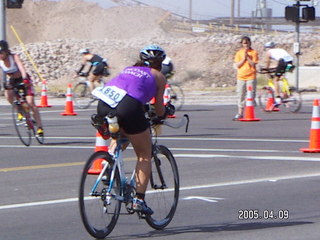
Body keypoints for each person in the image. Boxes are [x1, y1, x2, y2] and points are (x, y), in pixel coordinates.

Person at [91, 45, 174, 215]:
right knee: (144, 154)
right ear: (160, 64)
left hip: (104, 103)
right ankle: (139, 200)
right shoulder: (159, 76)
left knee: (120, 134)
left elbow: (129, 90)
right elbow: (158, 110)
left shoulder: (128, 69)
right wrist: (165, 112)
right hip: (128, 107)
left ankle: (109, 165)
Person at [0, 40, 44, 136]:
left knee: (31, 103)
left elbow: (22, 68)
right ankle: (20, 110)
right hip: (13, 80)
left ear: (6, 51)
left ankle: (40, 127)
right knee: (8, 95)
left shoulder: (14, 57)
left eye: (1, 53)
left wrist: (25, 79)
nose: (0, 55)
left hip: (23, 79)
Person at [233, 36, 259, 121]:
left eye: (247, 43)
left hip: (251, 76)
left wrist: (248, 57)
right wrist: (243, 58)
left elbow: (253, 64)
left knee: (250, 94)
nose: (246, 45)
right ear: (242, 44)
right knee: (241, 94)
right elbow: (237, 65)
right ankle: (240, 112)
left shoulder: (254, 52)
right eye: (244, 43)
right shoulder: (239, 53)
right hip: (241, 77)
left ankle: (250, 111)